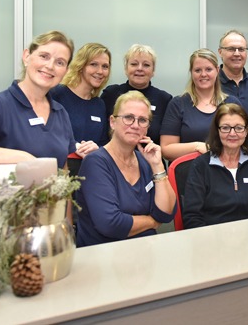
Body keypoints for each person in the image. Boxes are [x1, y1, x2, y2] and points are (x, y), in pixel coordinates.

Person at [76, 91, 177, 247]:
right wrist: (151, 221)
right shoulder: (96, 162)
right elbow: (110, 223)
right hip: (104, 257)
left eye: (142, 120)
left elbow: (166, 212)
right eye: (128, 118)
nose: (135, 125)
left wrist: (157, 166)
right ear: (112, 122)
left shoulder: (146, 161)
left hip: (144, 252)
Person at [0, 30, 76, 167]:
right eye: (44, 56)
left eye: (60, 62)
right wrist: (23, 157)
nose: (50, 66)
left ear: (66, 71)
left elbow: (63, 167)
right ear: (26, 56)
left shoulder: (60, 113)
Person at [183, 103, 248, 228]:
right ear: (217, 131)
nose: (232, 133)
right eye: (225, 128)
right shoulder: (201, 165)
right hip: (212, 239)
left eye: (239, 128)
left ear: (246, 131)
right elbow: (192, 216)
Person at [160, 49, 240, 162]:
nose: (203, 74)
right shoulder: (178, 104)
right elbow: (166, 149)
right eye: (197, 70)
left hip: (225, 172)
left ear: (217, 70)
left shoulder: (232, 103)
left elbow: (243, 141)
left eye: (208, 69)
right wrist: (197, 146)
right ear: (191, 73)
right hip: (188, 174)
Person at [51, 42, 111, 175]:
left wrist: (97, 148)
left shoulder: (99, 104)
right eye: (93, 64)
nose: (100, 71)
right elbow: (43, 133)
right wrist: (73, 146)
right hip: (59, 173)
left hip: (91, 172)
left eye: (105, 66)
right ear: (81, 66)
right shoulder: (56, 94)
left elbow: (104, 142)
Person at [101, 44, 172, 146]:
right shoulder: (110, 94)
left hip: (149, 159)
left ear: (153, 71)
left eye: (146, 65)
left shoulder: (164, 100)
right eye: (134, 64)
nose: (140, 68)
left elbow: (167, 143)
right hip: (112, 159)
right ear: (126, 68)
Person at [218, 30, 248, 148]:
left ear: (246, 53)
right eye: (231, 49)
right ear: (220, 52)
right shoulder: (211, 83)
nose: (237, 53)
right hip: (218, 158)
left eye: (241, 49)